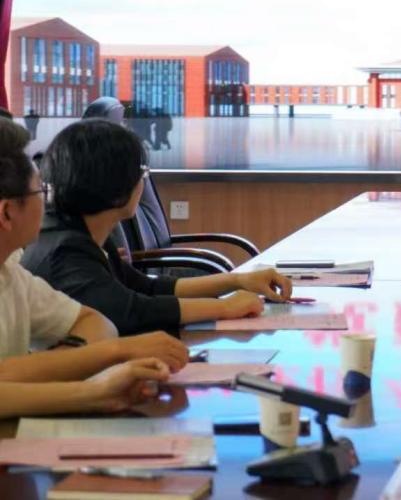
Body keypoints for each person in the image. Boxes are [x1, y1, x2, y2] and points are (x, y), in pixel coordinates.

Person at [23, 120, 293, 335]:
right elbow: (130, 313)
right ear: (114, 184)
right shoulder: (65, 252)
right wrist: (223, 307)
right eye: (142, 173)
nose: (143, 181)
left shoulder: (83, 232)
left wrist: (237, 280)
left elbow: (147, 288)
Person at [0, 119, 187, 416]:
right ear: (7, 213)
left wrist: (61, 364)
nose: (48, 203)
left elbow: (96, 323)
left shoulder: (10, 273)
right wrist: (101, 380)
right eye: (41, 192)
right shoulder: (61, 251)